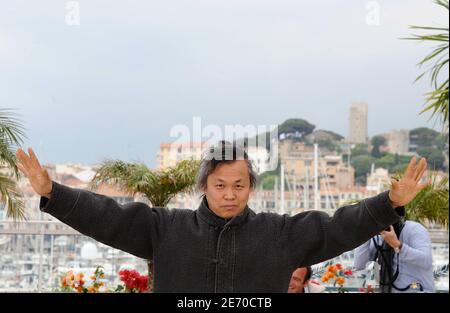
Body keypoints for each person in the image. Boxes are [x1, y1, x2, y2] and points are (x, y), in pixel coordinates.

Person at [16, 141, 429, 292]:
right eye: (220, 185)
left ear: (250, 187)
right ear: (204, 186)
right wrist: (54, 193)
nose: (229, 195)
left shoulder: (280, 233)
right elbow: (109, 215)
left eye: (239, 185)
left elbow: (341, 226)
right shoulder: (165, 228)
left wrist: (388, 203)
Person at [354, 206, 435, 293]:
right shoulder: (378, 237)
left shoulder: (415, 229)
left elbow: (426, 261)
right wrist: (364, 234)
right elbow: (360, 265)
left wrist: (397, 245)